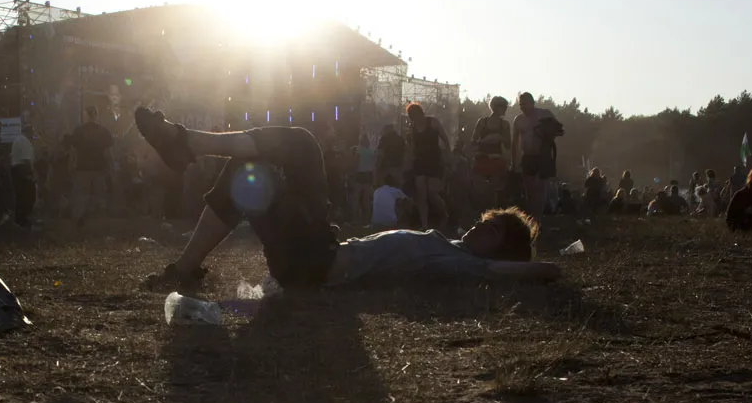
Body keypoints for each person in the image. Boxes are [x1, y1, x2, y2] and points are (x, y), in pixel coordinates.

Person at [131, 107, 560, 292]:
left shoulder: (465, 264)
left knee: (297, 145)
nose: (483, 225)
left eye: (493, 229)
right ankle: (184, 269)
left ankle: (187, 142)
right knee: (255, 169)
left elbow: (530, 269)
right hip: (314, 251)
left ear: (503, 251)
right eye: (488, 219)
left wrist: (529, 268)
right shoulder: (447, 245)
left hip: (314, 264)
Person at [512, 92, 564, 216]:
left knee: (540, 189)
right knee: (529, 191)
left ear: (532, 103)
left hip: (543, 156)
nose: (523, 107)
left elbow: (560, 130)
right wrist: (514, 162)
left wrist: (546, 131)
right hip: (527, 156)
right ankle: (532, 218)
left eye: (525, 104)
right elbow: (514, 142)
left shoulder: (544, 114)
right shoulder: (518, 120)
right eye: (521, 105)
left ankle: (538, 219)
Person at [405, 102, 450, 230]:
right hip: (420, 162)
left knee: (432, 192)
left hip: (434, 161)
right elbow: (412, 147)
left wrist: (448, 154)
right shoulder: (413, 128)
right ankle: (424, 225)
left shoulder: (433, 122)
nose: (415, 120)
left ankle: (444, 214)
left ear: (420, 113)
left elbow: (445, 138)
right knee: (421, 194)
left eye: (415, 116)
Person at [71, 105, 113, 229]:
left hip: (82, 168)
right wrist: (112, 167)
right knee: (99, 196)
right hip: (99, 169)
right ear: (96, 115)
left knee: (81, 196)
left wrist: (72, 164)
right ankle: (96, 224)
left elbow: (73, 150)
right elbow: (108, 153)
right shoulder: (103, 131)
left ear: (86, 114)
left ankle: (79, 223)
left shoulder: (79, 130)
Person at [11, 124, 37, 227]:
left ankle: (19, 219)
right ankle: (23, 219)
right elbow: (26, 160)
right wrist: (33, 172)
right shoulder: (24, 141)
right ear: (28, 132)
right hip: (22, 170)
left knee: (21, 196)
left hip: (17, 170)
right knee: (28, 195)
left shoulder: (18, 140)